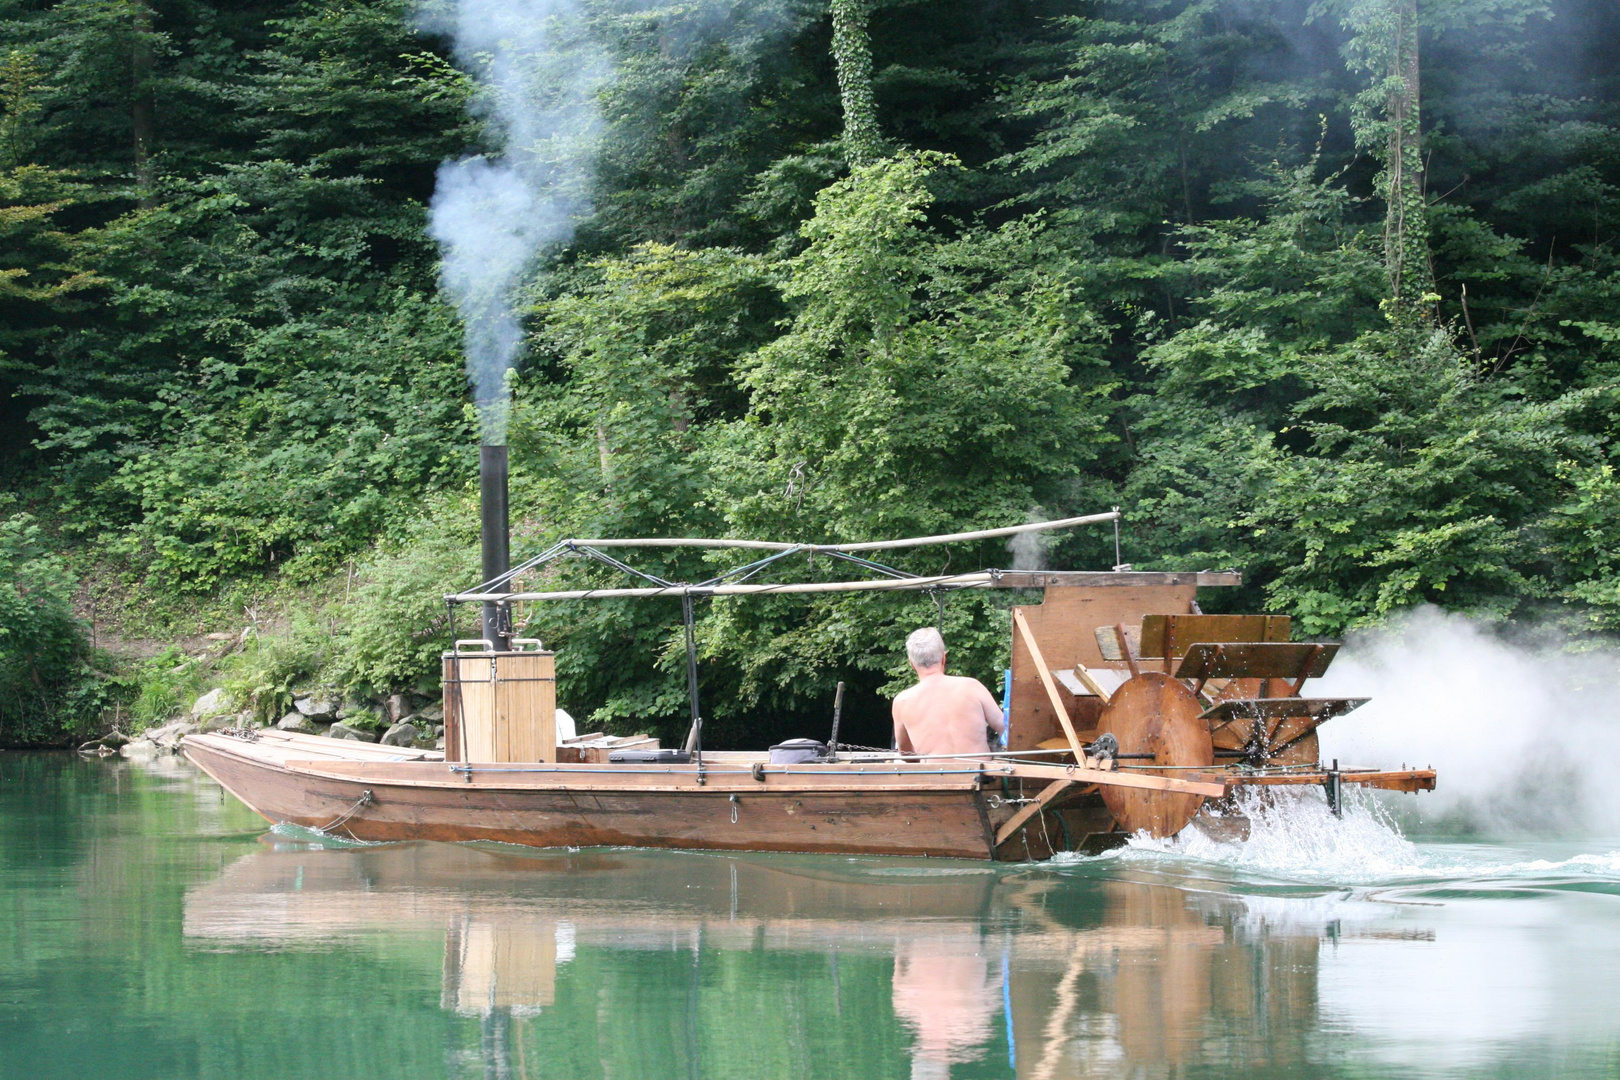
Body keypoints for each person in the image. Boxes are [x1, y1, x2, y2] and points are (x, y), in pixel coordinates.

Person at [891, 627, 1005, 756]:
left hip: (934, 775)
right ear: (944, 658)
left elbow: (906, 754)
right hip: (978, 774)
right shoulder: (972, 686)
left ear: (912, 664)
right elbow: (1005, 728)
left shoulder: (902, 701)